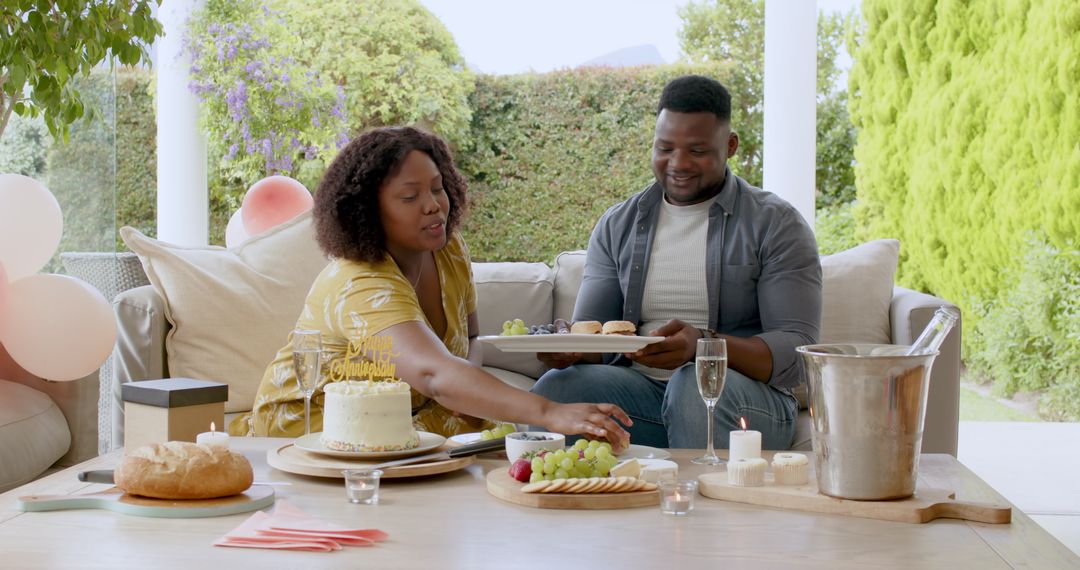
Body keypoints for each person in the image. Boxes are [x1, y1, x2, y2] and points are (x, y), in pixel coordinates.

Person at [232, 126, 630, 450]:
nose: (433, 206)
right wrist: (547, 411)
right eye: (410, 196)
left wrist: (464, 387)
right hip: (317, 430)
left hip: (406, 424)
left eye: (438, 188)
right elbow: (434, 374)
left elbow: (469, 339)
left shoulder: (448, 248)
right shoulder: (360, 281)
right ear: (367, 211)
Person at [531, 75, 821, 450]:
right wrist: (567, 348)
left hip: (748, 403)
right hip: (644, 396)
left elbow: (797, 353)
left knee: (695, 381)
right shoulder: (618, 225)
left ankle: (704, 503)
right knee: (556, 388)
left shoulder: (776, 224)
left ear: (730, 146)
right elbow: (599, 339)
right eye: (665, 148)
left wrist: (705, 346)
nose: (678, 163)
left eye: (697, 150)